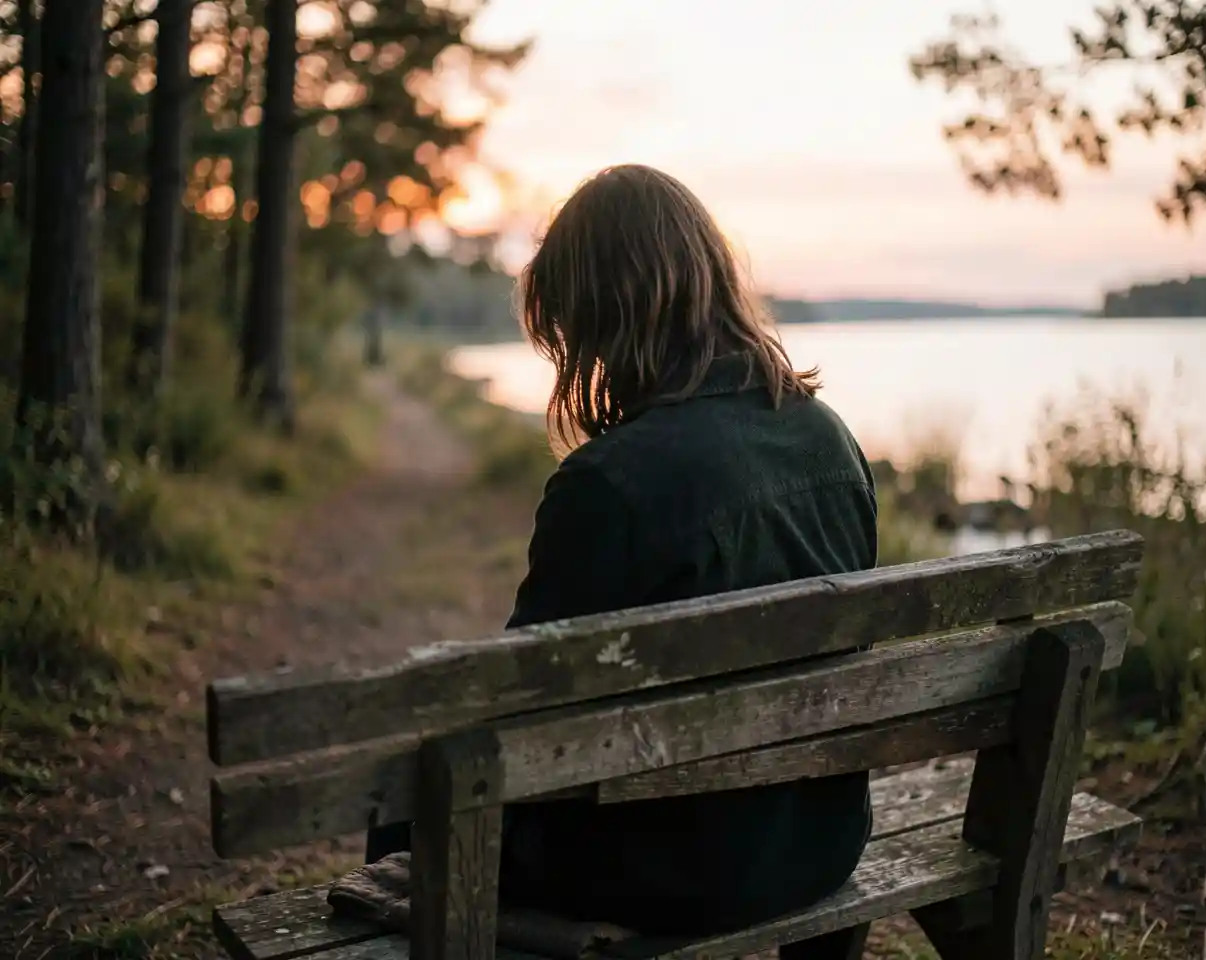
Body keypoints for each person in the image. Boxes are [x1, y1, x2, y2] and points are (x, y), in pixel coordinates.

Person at [366, 164, 878, 937]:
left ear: (602, 315)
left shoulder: (606, 483)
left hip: (667, 872)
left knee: (414, 800)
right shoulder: (831, 441)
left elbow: (522, 706)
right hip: (819, 841)